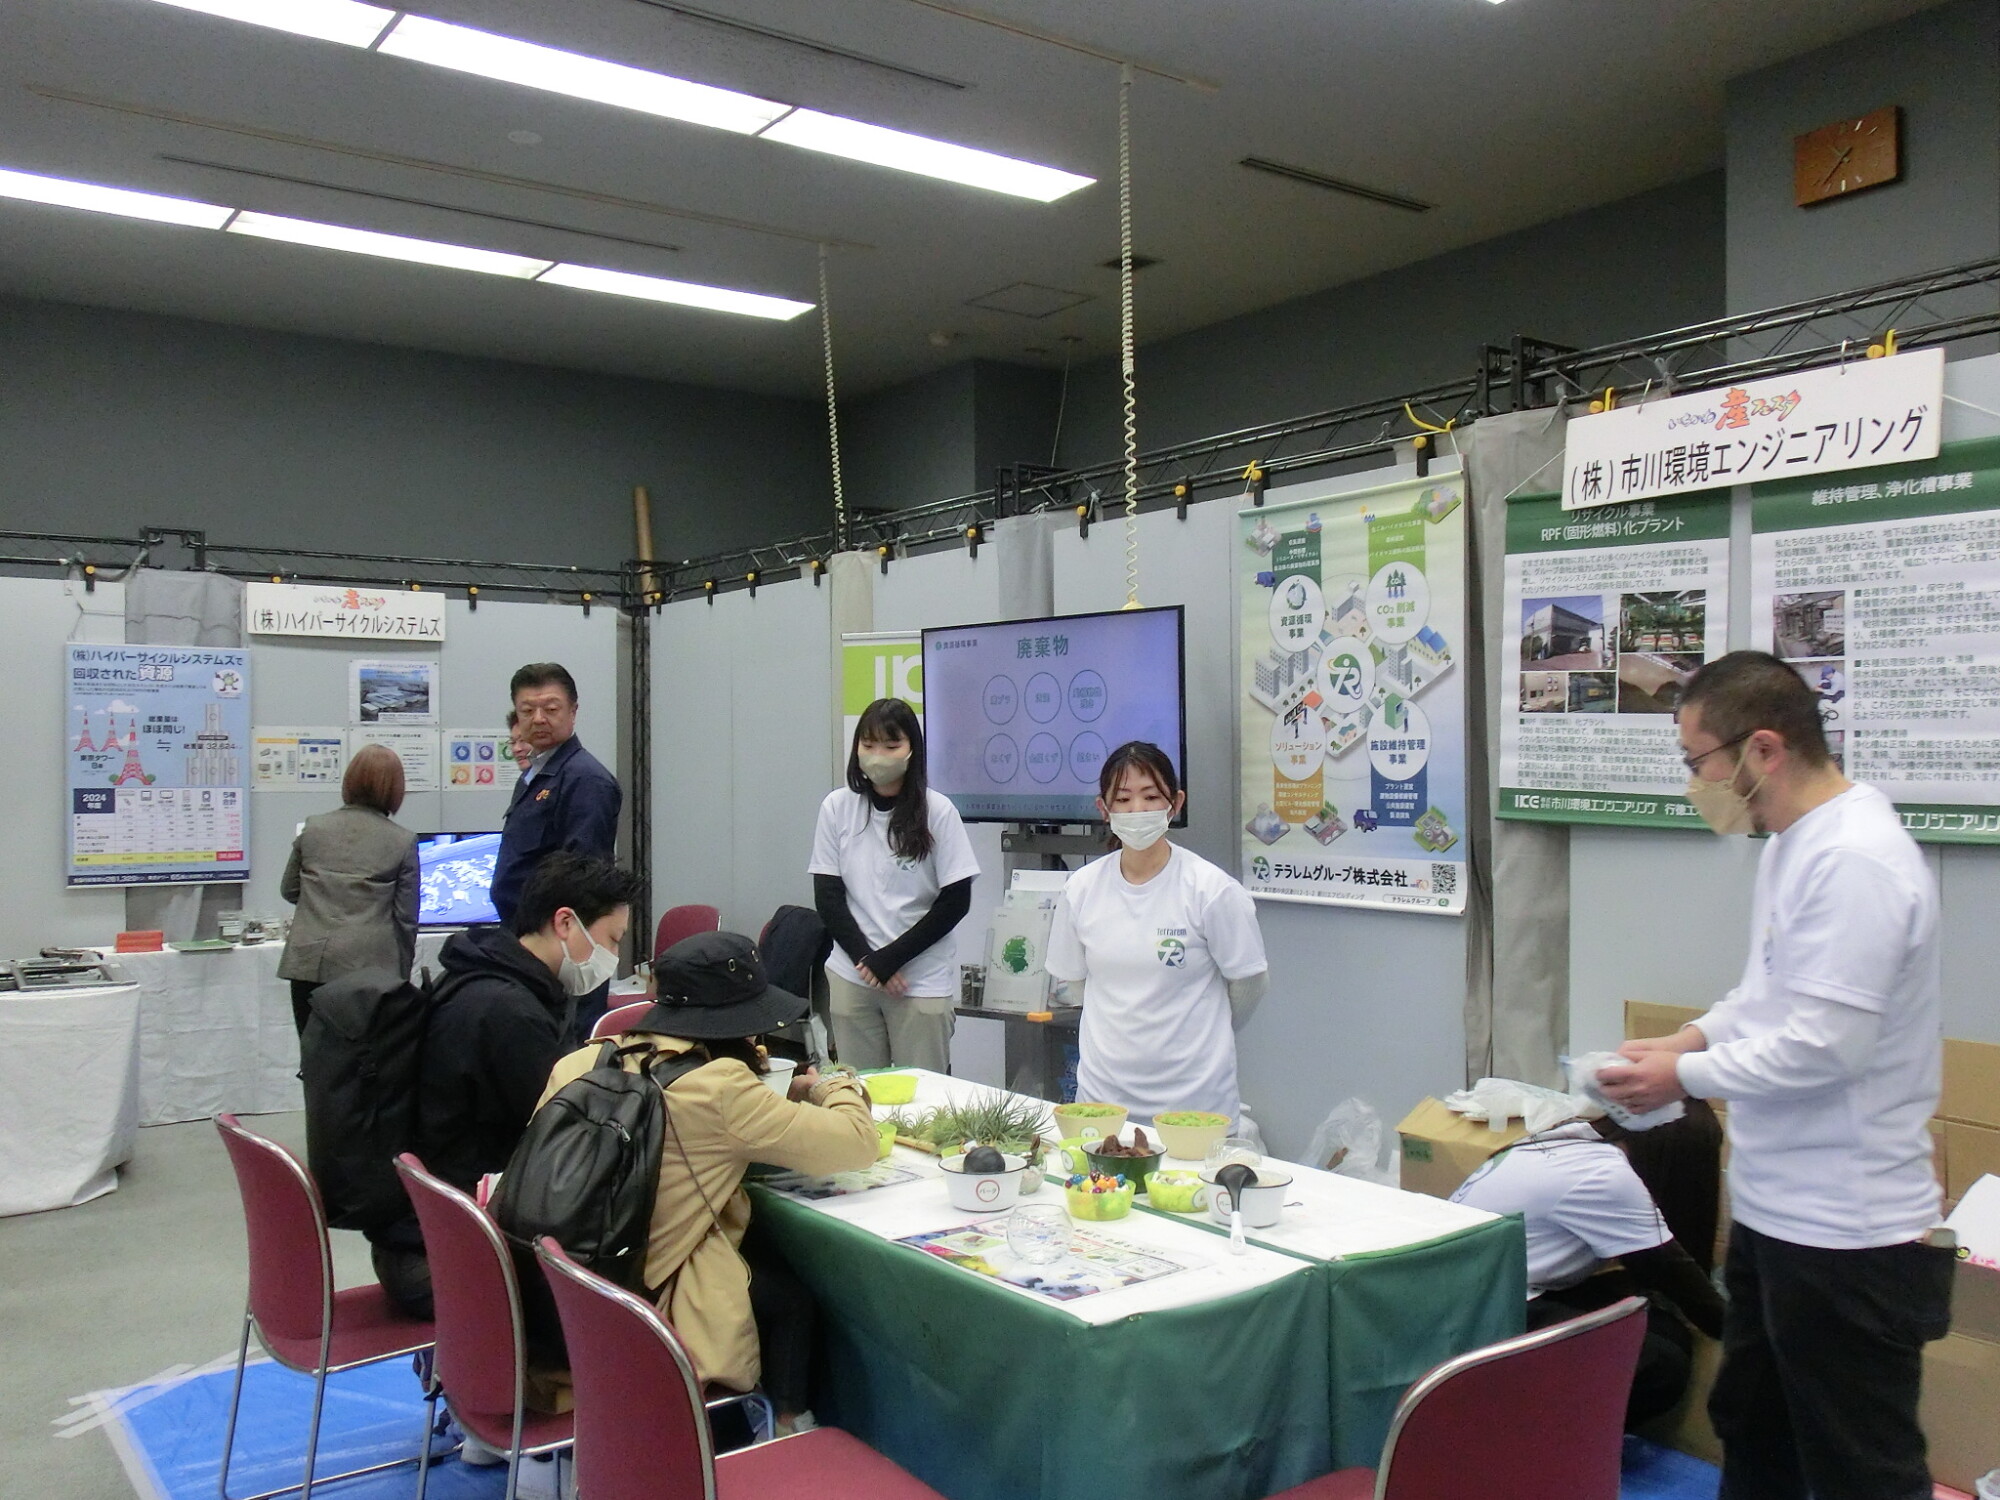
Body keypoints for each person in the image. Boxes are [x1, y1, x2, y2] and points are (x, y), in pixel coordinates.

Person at [1598, 650, 1953, 1500]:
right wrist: (1688, 1038)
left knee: (1860, 1469)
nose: (1696, 784)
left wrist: (1686, 1077)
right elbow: (1767, 998)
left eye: (1698, 762)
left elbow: (1826, 1047)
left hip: (1848, 1236)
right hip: (1775, 1216)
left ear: (1763, 749)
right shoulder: (1794, 844)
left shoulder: (1857, 859)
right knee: (1754, 1430)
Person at [536, 930, 876, 1430]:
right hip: (643, 1296)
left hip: (554, 1290)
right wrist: (831, 1085)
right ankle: (787, 1429)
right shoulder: (719, 1087)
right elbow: (857, 1142)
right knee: (791, 1298)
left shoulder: (582, 1060)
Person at [369, 852, 642, 1319]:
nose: (613, 958)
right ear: (565, 923)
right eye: (612, 940)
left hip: (426, 1234)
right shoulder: (508, 1012)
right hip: (443, 1257)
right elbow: (571, 1135)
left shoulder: (488, 980)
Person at [1451, 1103, 1726, 1428]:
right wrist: (1759, 1339)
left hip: (1473, 1292)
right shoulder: (1607, 1176)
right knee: (1662, 1365)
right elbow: (1686, 1288)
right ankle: (1537, 1432)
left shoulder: (1565, 1142)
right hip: (1485, 1315)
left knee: (1655, 1320)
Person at [1045, 741, 1268, 1127]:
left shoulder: (1211, 890)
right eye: (1123, 799)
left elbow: (1249, 985)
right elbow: (1075, 984)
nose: (1137, 810)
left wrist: (1201, 1034)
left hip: (1196, 1105)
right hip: (1103, 1102)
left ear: (1175, 803)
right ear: (1104, 809)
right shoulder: (1081, 888)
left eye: (1151, 797)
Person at [810, 698, 979, 1071]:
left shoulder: (938, 811)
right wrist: (867, 961)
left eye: (891, 746)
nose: (878, 756)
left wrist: (890, 959)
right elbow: (828, 897)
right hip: (852, 974)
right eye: (868, 745)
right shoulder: (837, 807)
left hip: (919, 980)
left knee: (925, 1093)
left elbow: (955, 901)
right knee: (859, 1091)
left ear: (912, 750)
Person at [492, 663, 622, 1037]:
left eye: (551, 709)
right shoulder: (535, 774)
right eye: (527, 710)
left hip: (560, 955)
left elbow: (582, 880)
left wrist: (558, 953)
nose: (538, 719)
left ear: (573, 711)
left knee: (562, 1055)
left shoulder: (585, 779)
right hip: (527, 945)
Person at [277, 744, 420, 1036]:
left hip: (310, 963)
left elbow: (289, 889)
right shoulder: (402, 841)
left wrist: (320, 902)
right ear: (395, 789)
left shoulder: (314, 828)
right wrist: (401, 975)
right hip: (371, 968)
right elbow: (406, 918)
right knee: (362, 1055)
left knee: (313, 1051)